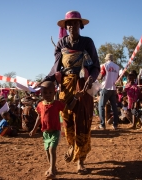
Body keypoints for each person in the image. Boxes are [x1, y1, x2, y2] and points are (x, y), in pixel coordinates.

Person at [41, 11, 100, 174]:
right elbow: (55, 67)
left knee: (83, 121)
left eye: (75, 23)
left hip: (84, 85)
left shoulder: (87, 42)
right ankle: (71, 145)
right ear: (65, 27)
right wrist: (46, 81)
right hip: (66, 86)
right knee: (67, 121)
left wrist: (92, 78)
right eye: (69, 24)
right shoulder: (61, 43)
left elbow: (95, 66)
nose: (71, 26)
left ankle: (81, 160)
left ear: (80, 25)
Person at [29, 81, 83, 178]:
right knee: (47, 151)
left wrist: (75, 97)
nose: (48, 95)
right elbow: (39, 117)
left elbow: (70, 107)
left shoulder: (58, 104)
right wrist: (34, 129)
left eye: (50, 92)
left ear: (54, 93)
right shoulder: (40, 105)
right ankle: (53, 167)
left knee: (52, 149)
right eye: (45, 92)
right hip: (45, 132)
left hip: (55, 131)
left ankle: (51, 170)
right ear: (41, 93)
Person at [97, 54, 120, 130]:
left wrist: (96, 76)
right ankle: (115, 124)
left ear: (106, 59)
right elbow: (117, 77)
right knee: (114, 107)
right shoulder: (117, 67)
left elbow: (101, 76)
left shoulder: (104, 65)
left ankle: (102, 125)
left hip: (106, 88)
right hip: (113, 89)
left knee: (101, 106)